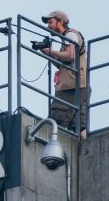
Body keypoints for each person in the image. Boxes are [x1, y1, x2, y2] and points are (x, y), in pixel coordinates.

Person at [38, 10, 90, 139]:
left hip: (71, 87)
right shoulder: (67, 39)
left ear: (61, 22)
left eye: (50, 22)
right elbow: (64, 63)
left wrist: (51, 51)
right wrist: (47, 52)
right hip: (79, 85)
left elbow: (70, 55)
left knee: (56, 121)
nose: (48, 26)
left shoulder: (70, 35)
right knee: (78, 125)